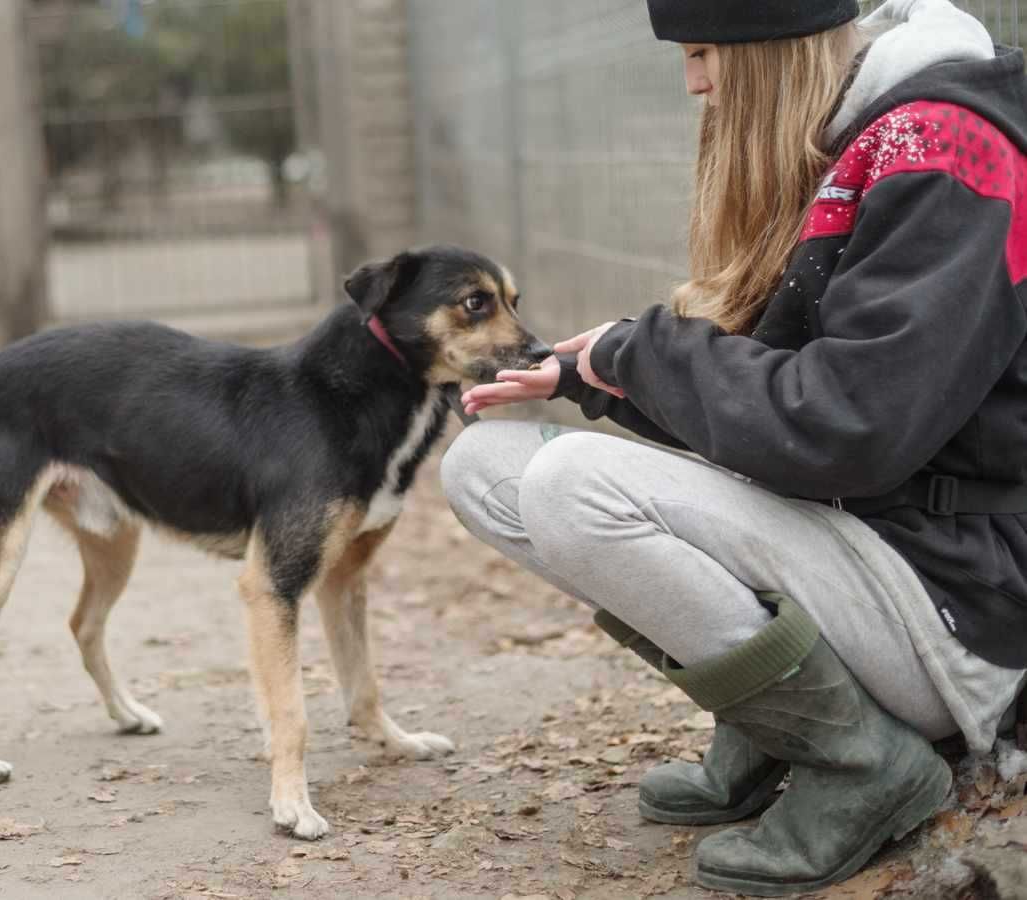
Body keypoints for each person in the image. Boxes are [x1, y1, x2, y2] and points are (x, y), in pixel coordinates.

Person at [440, 0, 1027, 894]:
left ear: (772, 43)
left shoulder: (942, 147)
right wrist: (598, 379)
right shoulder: (856, 132)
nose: (695, 81)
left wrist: (640, 356)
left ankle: (867, 766)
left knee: (571, 486)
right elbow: (778, 400)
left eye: (706, 50)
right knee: (484, 469)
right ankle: (783, 727)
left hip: (956, 603)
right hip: (864, 550)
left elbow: (849, 426)